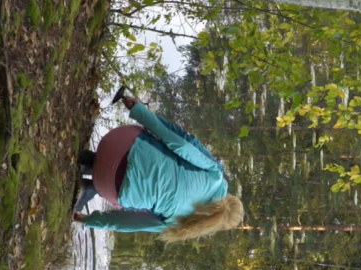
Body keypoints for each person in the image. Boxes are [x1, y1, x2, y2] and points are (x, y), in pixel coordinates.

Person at [73, 96, 243, 242]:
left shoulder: (215, 175)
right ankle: (93, 186)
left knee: (159, 152)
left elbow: (181, 143)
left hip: (117, 142)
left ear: (230, 198)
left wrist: (140, 111)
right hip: (109, 185)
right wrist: (90, 220)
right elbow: (132, 222)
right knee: (134, 200)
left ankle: (92, 161)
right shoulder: (184, 223)